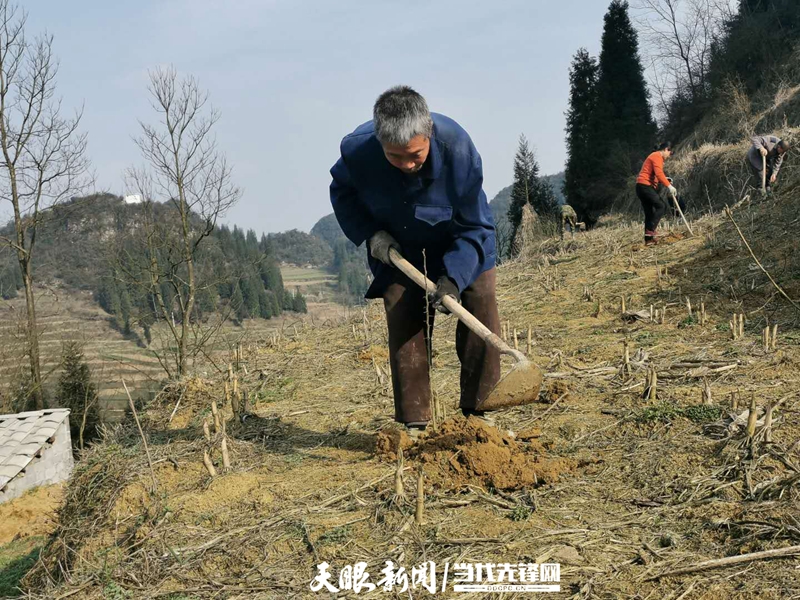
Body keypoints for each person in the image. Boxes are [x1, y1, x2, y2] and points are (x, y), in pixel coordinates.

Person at [329, 86, 499, 439]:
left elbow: (474, 227)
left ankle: (480, 411)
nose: (407, 165)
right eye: (395, 157)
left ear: (429, 134)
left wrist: (453, 277)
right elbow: (342, 192)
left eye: (415, 155)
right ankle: (415, 421)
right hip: (398, 245)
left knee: (480, 297)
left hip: (460, 238)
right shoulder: (357, 150)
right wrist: (370, 233)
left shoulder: (459, 151)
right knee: (403, 307)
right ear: (379, 143)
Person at [636, 142, 677, 245]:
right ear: (666, 149)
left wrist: (665, 180)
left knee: (649, 213)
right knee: (661, 206)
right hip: (645, 186)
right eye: (670, 153)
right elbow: (659, 173)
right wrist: (669, 186)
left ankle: (648, 240)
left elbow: (655, 175)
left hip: (641, 187)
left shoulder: (654, 156)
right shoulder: (657, 156)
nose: (669, 156)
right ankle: (651, 230)